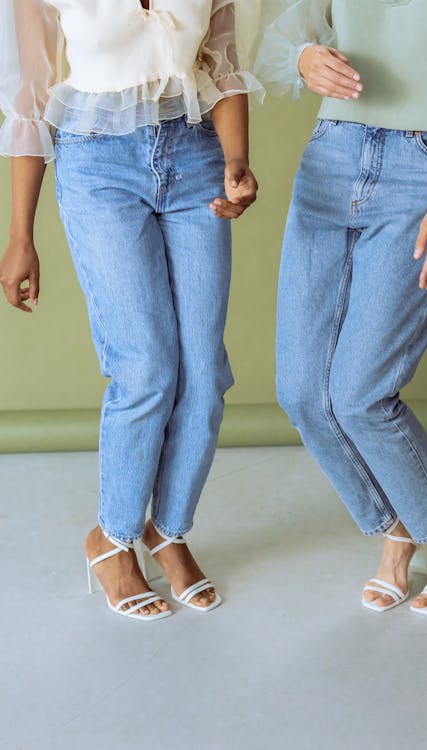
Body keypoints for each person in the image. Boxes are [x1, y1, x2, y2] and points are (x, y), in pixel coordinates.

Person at [0, 0, 263, 621]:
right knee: (144, 366)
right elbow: (30, 99)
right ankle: (112, 537)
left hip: (197, 154)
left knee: (204, 371)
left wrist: (237, 163)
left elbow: (223, 67)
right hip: (97, 164)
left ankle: (167, 530)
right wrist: (20, 235)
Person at [256, 0, 427, 614]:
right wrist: (307, 58)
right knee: (302, 393)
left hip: (425, 165)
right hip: (332, 154)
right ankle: (398, 526)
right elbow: (289, 34)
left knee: (361, 393)